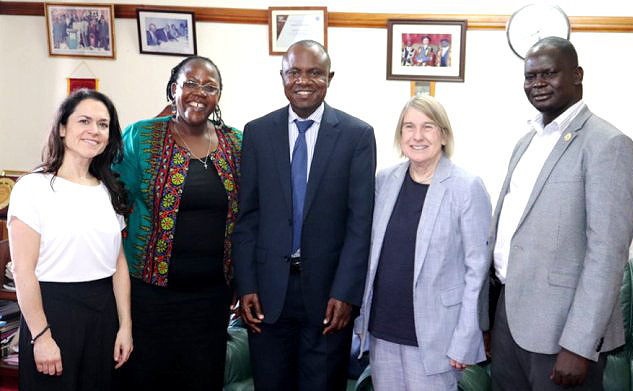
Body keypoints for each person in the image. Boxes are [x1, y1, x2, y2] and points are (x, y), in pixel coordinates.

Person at [486, 37, 633, 390]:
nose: (537, 83)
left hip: (561, 335)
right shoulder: (526, 142)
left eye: (549, 73)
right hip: (509, 321)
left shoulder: (608, 144)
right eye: (530, 76)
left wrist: (579, 345)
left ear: (577, 75)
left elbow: (607, 254)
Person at [233, 39, 376, 391]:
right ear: (282, 76)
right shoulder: (257, 132)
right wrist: (246, 284)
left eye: (314, 73)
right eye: (294, 72)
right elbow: (247, 217)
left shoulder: (357, 136)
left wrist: (346, 293)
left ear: (330, 77)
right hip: (267, 294)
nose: (303, 81)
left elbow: (360, 225)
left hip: (329, 297)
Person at [113, 56, 241, 390]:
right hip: (149, 297)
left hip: (212, 299)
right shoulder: (141, 137)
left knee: (202, 380)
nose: (200, 92)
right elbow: (111, 196)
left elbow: (249, 215)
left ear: (218, 97)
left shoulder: (237, 144)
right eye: (191, 83)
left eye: (210, 87)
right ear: (174, 89)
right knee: (144, 380)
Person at [356, 95, 491, 391]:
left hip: (436, 338)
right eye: (409, 127)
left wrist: (465, 338)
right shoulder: (384, 181)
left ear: (443, 135)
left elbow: (477, 271)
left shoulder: (466, 187)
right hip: (382, 333)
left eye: (427, 127)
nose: (417, 136)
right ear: (400, 135)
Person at [7, 89, 133, 390]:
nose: (94, 131)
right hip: (53, 312)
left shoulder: (108, 189)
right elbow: (24, 271)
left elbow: (118, 264)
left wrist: (125, 326)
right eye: (85, 121)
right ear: (62, 128)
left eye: (103, 124)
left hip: (103, 315)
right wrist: (41, 336)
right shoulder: (32, 188)